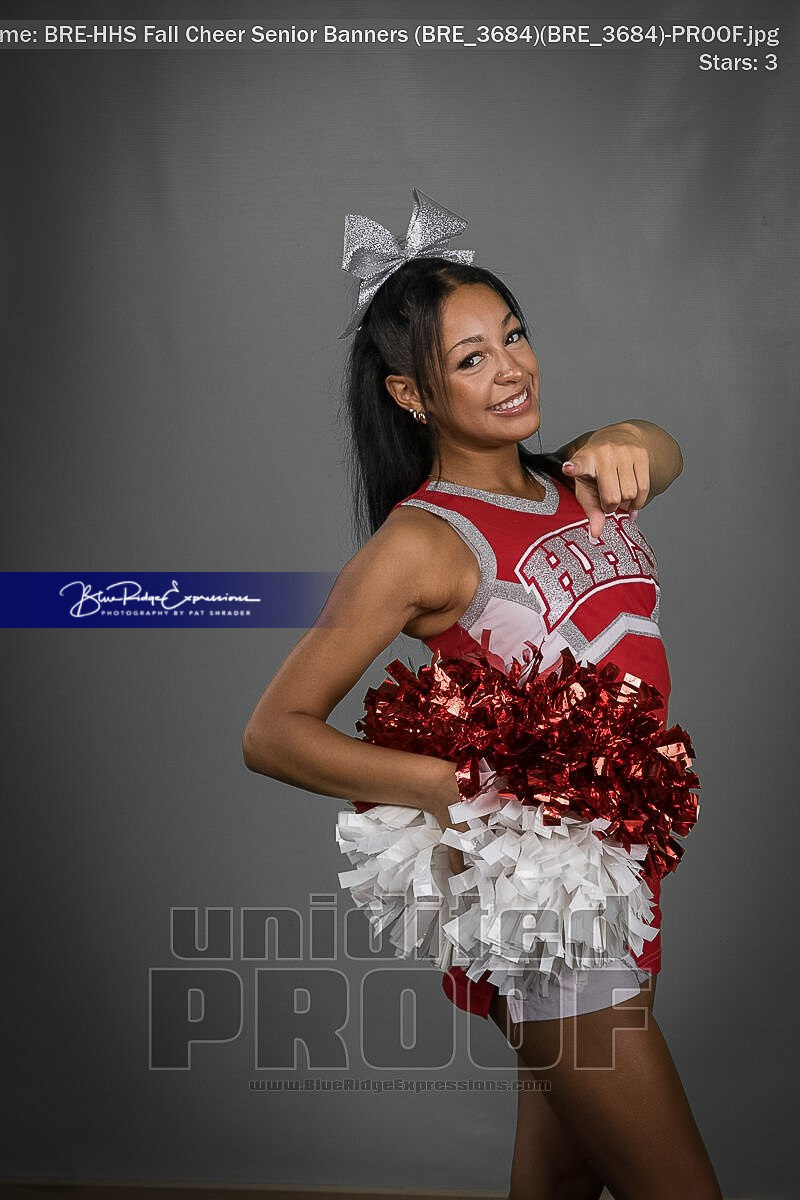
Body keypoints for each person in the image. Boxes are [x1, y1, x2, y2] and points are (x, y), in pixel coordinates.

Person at [242, 191, 723, 1200]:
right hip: (542, 904)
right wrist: (455, 787)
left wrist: (629, 433)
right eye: (470, 359)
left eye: (513, 334)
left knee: (556, 1183)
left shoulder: (576, 479)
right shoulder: (420, 541)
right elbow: (273, 733)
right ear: (410, 394)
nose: (510, 368)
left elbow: (660, 453)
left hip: (622, 870)